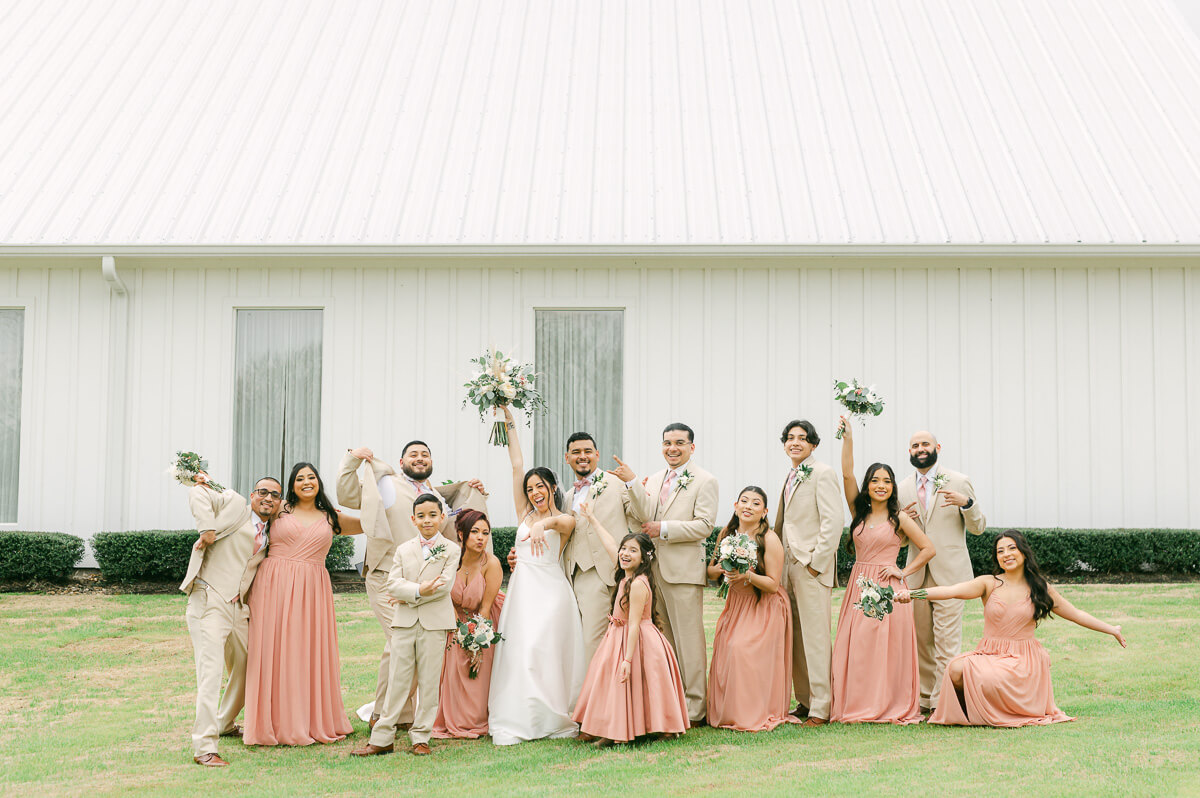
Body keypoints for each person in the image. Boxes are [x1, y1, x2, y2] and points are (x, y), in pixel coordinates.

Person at [898, 530, 1127, 726]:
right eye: (1000, 551)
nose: (1006, 554)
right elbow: (951, 590)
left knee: (986, 677)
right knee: (955, 669)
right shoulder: (989, 583)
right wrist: (912, 594)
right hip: (989, 652)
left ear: (1023, 552)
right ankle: (972, 712)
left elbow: (1076, 614)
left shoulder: (1039, 588)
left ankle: (1000, 710)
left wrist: (1111, 629)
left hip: (1023, 658)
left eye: (1011, 548)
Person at [336, 442, 487, 728]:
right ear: (401, 460)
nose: (420, 459)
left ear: (432, 461)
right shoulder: (386, 484)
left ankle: (394, 714)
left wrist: (473, 493)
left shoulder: (436, 500)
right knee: (402, 643)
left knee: (398, 647)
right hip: (386, 578)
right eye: (414, 455)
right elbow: (347, 494)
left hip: (424, 585)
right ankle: (385, 716)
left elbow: (452, 532)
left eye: (425, 455)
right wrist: (351, 460)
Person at [243, 462, 362, 746]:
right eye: (299, 478)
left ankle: (308, 719)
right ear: (292, 485)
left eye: (311, 477)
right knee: (271, 650)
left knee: (305, 651)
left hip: (312, 590)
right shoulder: (279, 508)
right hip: (272, 586)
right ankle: (269, 723)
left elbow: (377, 521)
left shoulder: (332, 517)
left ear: (319, 482)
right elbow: (244, 519)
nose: (306, 482)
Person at [488, 406, 586, 745]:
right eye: (530, 488)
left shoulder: (566, 517)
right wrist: (507, 415)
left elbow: (558, 525)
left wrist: (542, 523)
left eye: (540, 486)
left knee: (544, 652)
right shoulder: (523, 513)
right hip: (523, 590)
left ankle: (550, 715)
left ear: (553, 486)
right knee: (521, 650)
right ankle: (521, 715)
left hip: (552, 592)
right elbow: (516, 464)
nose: (534, 492)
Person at [831, 418, 934, 724]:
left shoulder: (900, 518)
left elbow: (928, 548)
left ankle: (889, 703)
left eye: (887, 481)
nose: (881, 485)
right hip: (860, 585)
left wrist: (903, 571)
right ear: (868, 485)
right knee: (860, 646)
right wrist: (848, 439)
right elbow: (847, 474)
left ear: (892, 487)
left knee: (887, 648)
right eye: (875, 480)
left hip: (889, 587)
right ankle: (858, 702)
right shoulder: (858, 512)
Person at [615, 423, 718, 724]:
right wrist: (633, 482)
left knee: (689, 642)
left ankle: (696, 708)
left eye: (679, 443)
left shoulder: (705, 480)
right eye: (667, 443)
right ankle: (673, 703)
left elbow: (705, 525)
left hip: (683, 571)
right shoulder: (655, 478)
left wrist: (665, 529)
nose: (672, 448)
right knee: (664, 641)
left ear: (691, 447)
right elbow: (645, 514)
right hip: (653, 570)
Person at [180, 474, 280, 766]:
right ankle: (204, 747)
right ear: (252, 495)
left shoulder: (270, 531)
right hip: (209, 598)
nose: (269, 498)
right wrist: (207, 529)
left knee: (250, 663)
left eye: (275, 495)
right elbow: (198, 492)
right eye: (263, 492)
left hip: (238, 607)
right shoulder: (235, 504)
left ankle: (224, 722)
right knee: (210, 674)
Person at [353, 494, 461, 756]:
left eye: (432, 515)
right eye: (421, 516)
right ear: (413, 519)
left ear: (441, 517)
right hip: (403, 623)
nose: (427, 520)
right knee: (397, 679)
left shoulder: (451, 549)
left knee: (428, 680)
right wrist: (420, 590)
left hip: (435, 623)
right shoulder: (403, 549)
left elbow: (444, 586)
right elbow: (392, 584)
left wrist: (409, 593)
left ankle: (421, 736)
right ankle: (382, 737)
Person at [571, 503, 688, 746]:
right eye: (624, 549)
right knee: (607, 680)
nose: (624, 553)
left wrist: (627, 659)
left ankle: (617, 731)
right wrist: (592, 518)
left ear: (644, 557)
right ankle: (605, 726)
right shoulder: (626, 575)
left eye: (632, 551)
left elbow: (634, 624)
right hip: (617, 634)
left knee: (631, 681)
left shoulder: (637, 584)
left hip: (633, 637)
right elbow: (609, 545)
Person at [898, 430, 986, 712]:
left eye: (925, 444)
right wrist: (902, 524)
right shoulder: (901, 489)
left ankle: (944, 700)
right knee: (922, 640)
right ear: (909, 451)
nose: (920, 449)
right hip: (917, 575)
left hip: (951, 575)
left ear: (937, 447)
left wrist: (967, 504)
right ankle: (926, 700)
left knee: (947, 640)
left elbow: (978, 527)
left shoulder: (959, 481)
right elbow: (899, 540)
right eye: (915, 445)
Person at [705, 486, 795, 732]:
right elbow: (710, 571)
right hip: (736, 604)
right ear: (735, 506)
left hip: (763, 605)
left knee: (741, 649)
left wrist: (747, 575)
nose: (748, 506)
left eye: (756, 503)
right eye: (744, 501)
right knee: (725, 652)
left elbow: (773, 584)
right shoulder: (726, 532)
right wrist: (726, 568)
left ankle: (753, 711)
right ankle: (729, 711)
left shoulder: (768, 538)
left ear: (764, 512)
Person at [773, 419, 841, 726]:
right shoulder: (790, 474)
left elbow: (833, 521)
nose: (795, 442)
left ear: (813, 444)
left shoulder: (823, 473)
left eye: (802, 438)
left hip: (810, 567)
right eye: (790, 438)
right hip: (787, 565)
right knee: (796, 635)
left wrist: (816, 563)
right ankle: (804, 699)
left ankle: (822, 707)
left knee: (815, 637)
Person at [561, 432, 636, 664]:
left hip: (603, 573)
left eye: (587, 451)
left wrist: (632, 481)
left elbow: (642, 514)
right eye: (576, 452)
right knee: (578, 643)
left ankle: (592, 698)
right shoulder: (567, 495)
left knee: (592, 644)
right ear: (567, 458)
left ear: (597, 454)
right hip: (572, 576)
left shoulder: (616, 483)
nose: (582, 457)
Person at [432, 509, 505, 739]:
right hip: (450, 616)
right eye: (475, 532)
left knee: (478, 664)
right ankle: (452, 714)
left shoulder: (491, 563)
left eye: (485, 532)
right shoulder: (448, 558)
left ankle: (475, 717)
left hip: (484, 619)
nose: (481, 537)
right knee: (453, 658)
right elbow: (442, 594)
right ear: (462, 535)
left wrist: (476, 641)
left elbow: (485, 607)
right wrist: (456, 626)